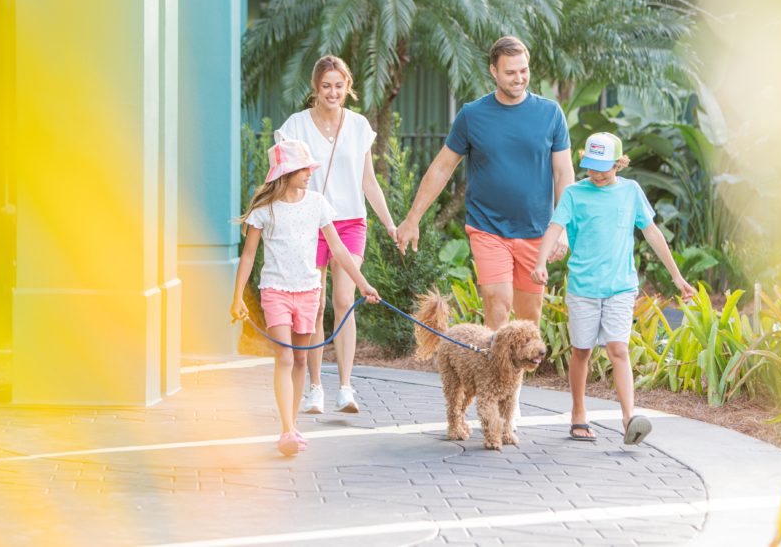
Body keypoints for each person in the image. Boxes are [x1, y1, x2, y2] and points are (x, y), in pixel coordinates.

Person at [396, 36, 574, 329]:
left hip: (535, 230)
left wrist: (562, 228)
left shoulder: (550, 113)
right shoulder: (472, 115)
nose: (519, 78)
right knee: (497, 301)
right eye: (510, 72)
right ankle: (496, 376)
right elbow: (442, 168)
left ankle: (516, 376)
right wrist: (413, 218)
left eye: (523, 71)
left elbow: (564, 174)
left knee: (529, 319)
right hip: (487, 227)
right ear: (493, 71)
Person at [530, 131, 696, 445]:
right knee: (582, 351)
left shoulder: (631, 191)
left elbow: (652, 233)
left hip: (621, 286)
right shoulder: (574, 194)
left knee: (618, 349)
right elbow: (554, 228)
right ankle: (578, 412)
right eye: (591, 166)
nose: (596, 173)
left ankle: (628, 419)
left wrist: (676, 276)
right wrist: (541, 263)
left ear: (619, 163)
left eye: (603, 167)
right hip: (583, 286)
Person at [230, 135, 380, 456]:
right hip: (275, 292)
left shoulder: (317, 204)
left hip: (309, 292)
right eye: (303, 168)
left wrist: (363, 284)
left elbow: (339, 249)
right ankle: (286, 429)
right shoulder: (265, 210)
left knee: (300, 359)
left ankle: (293, 424)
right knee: (284, 357)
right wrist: (237, 297)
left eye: (311, 168)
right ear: (285, 172)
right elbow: (248, 256)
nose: (310, 173)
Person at [278, 55, 397, 415]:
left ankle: (345, 387)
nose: (333, 92)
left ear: (348, 87)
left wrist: (390, 223)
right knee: (315, 306)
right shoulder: (296, 126)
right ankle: (315, 388)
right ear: (315, 88)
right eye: (326, 85)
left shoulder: (359, 126)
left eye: (339, 85)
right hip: (310, 224)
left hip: (349, 222)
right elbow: (281, 174)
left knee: (345, 299)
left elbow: (368, 182)